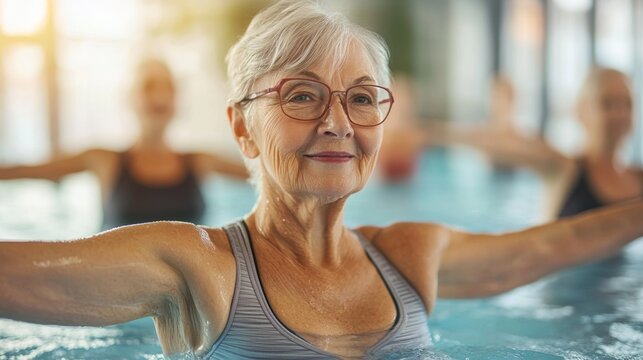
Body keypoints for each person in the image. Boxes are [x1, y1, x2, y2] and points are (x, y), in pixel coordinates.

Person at [0, 1, 642, 359]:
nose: (339, 123)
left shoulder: (410, 254)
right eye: (303, 96)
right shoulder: (198, 267)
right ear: (242, 127)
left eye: (363, 99)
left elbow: (546, 248)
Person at [0, 58, 248, 229]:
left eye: (168, 86)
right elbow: (30, 170)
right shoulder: (103, 160)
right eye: (149, 86)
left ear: (177, 101)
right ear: (130, 98)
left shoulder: (199, 162)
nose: (160, 95)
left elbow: (267, 174)